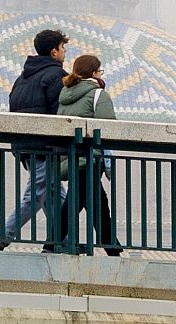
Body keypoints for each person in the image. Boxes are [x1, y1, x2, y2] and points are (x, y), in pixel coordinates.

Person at [0, 28, 68, 253]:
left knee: (56, 198)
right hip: (46, 148)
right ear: (53, 52)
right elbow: (60, 114)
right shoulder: (56, 76)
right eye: (62, 48)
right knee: (33, 199)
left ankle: (60, 242)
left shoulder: (21, 78)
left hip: (25, 147)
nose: (64, 52)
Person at [58, 53, 121, 256]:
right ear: (94, 73)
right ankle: (109, 245)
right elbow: (108, 128)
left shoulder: (65, 94)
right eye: (99, 71)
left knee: (86, 199)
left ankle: (109, 244)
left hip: (70, 157)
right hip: (91, 157)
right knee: (85, 201)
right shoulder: (98, 95)